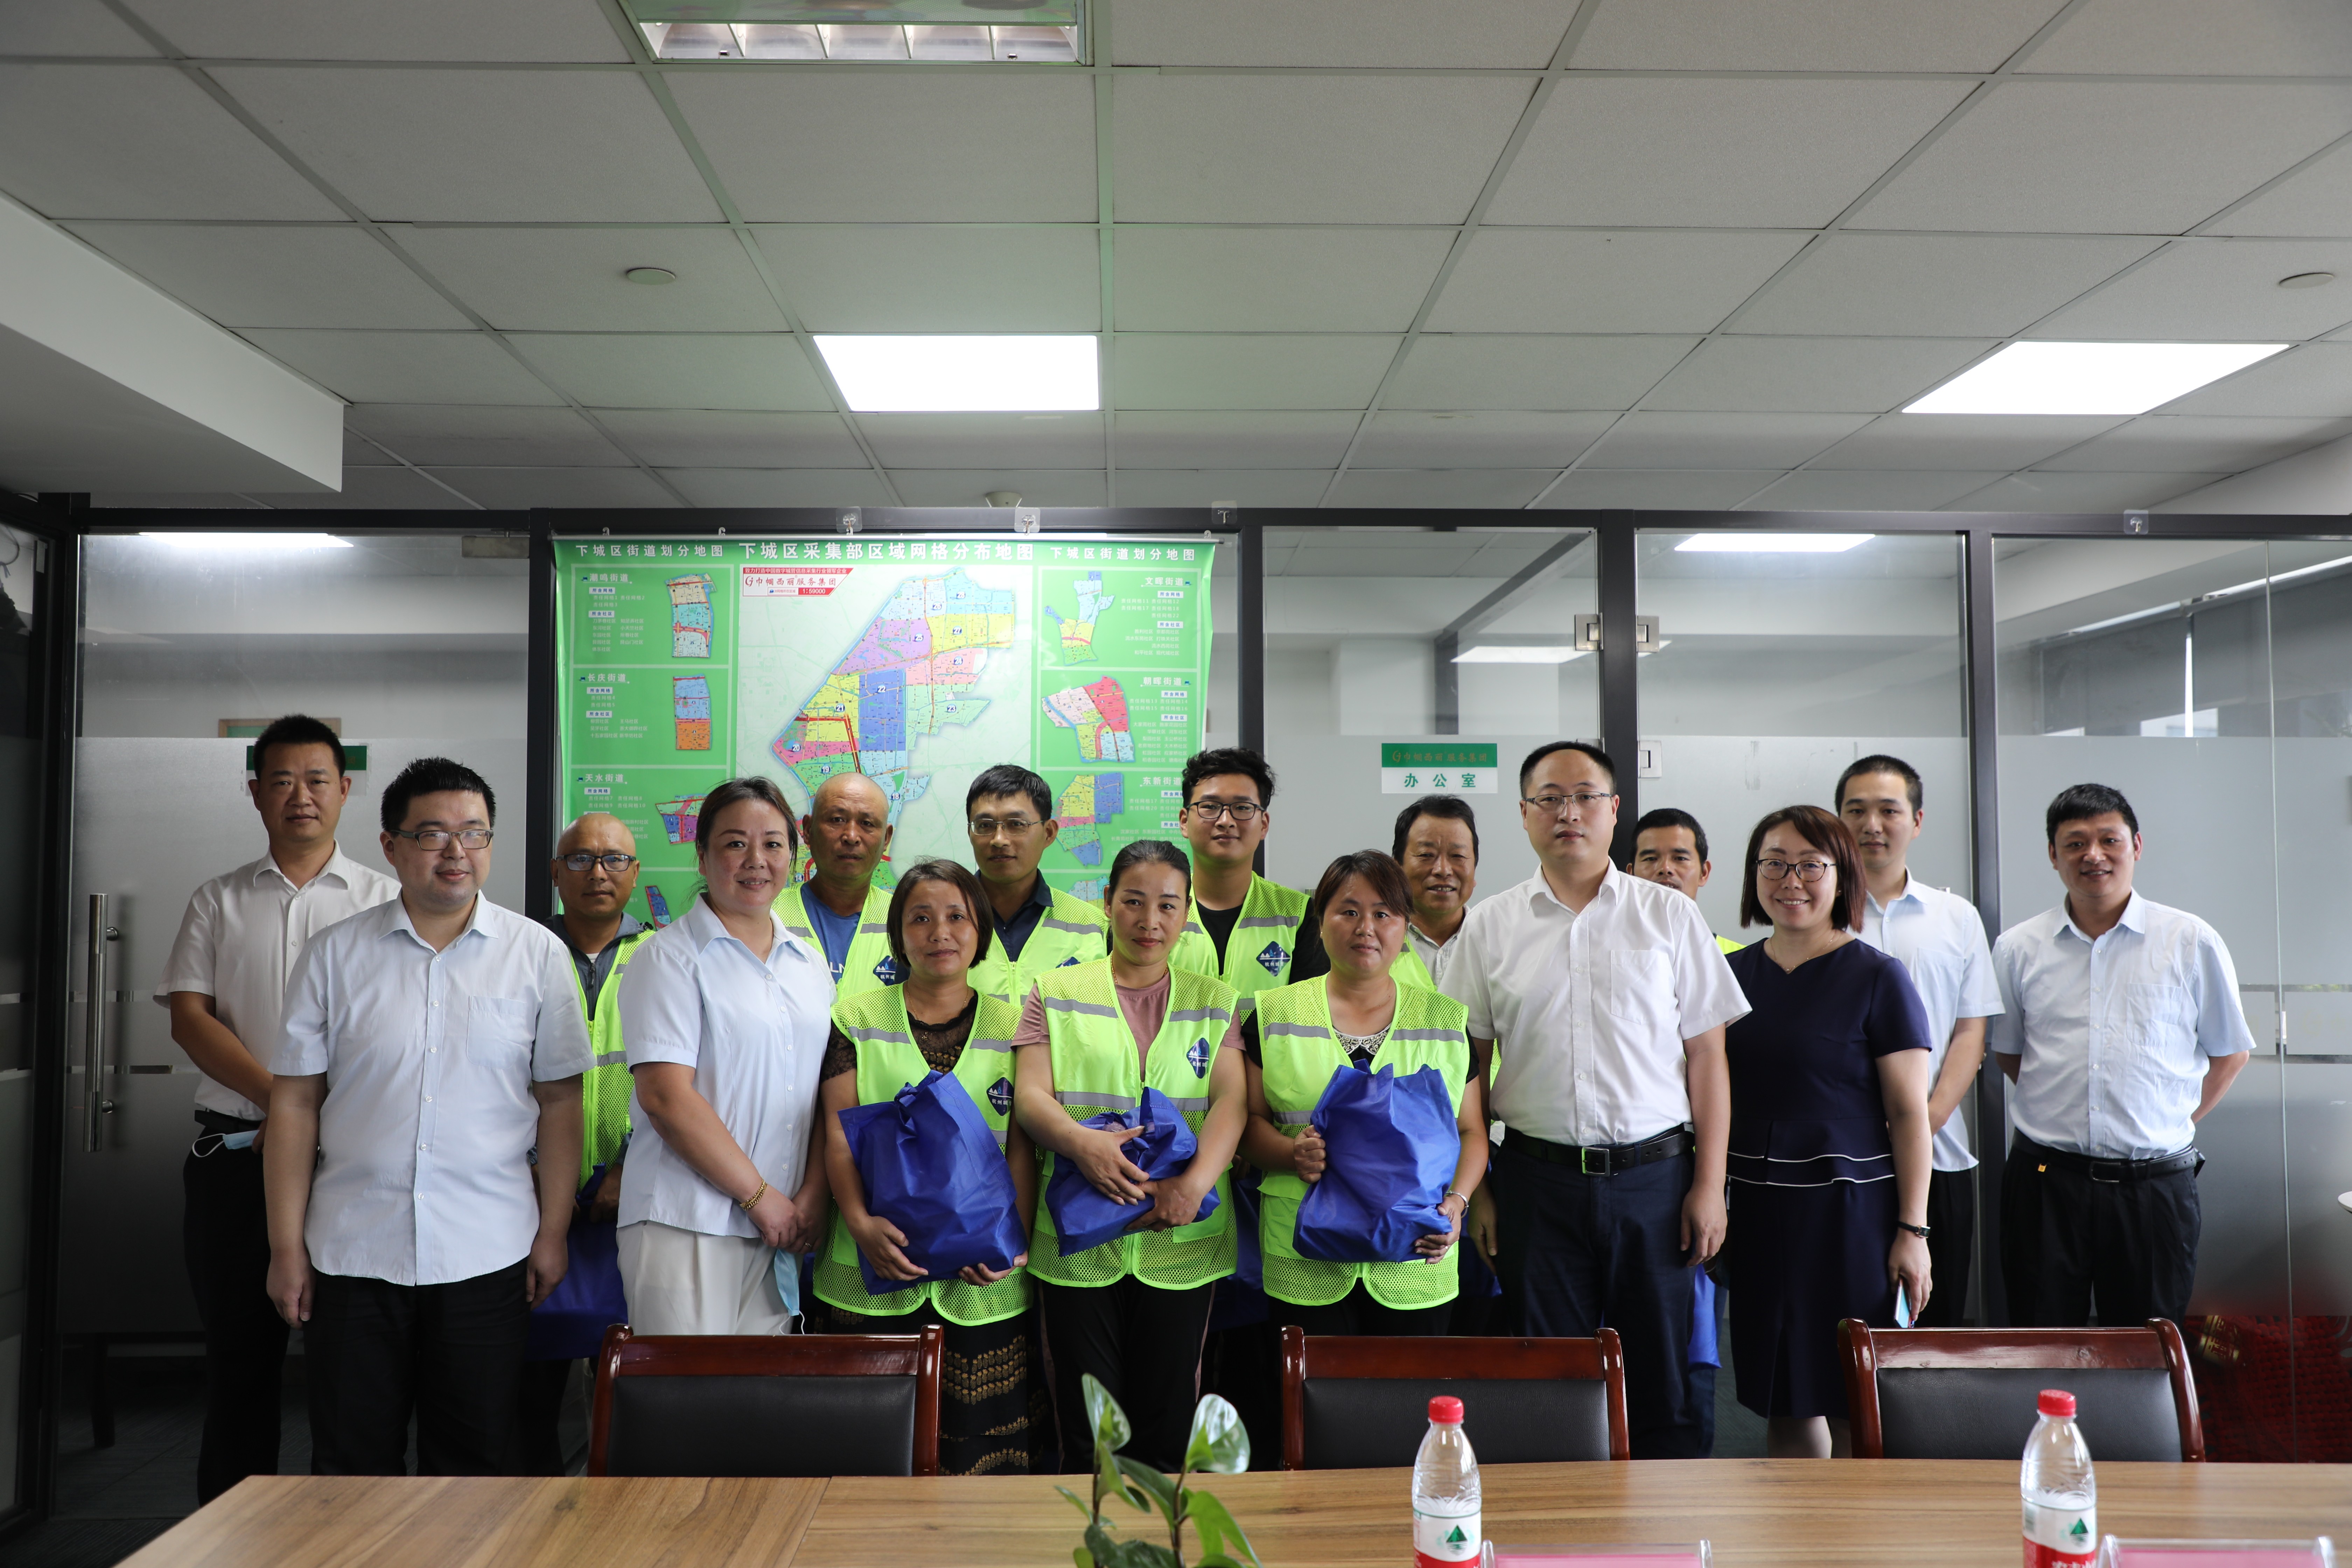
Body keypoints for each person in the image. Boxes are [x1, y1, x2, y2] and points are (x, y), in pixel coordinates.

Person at [265, 757, 588, 1477]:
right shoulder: (334, 955)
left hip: (488, 1250)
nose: (456, 851)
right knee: (351, 1465)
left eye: (475, 832)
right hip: (353, 1250)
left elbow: (561, 1102)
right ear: (391, 845)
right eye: (433, 833)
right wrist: (286, 1248)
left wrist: (553, 1232)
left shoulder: (536, 954)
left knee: (473, 1468)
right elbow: (294, 1103)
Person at [1443, 741, 1746, 1458]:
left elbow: (1709, 1057)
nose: (1568, 812)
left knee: (1663, 1379)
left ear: (1613, 811)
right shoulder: (1489, 925)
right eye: (1549, 798)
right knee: (1551, 1382)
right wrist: (1480, 1191)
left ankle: (1666, 1515)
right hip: (1535, 1183)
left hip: (1657, 1182)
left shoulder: (1669, 916)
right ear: (1525, 814)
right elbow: (1466, 1066)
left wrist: (1710, 1185)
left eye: (1585, 796)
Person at [156, 715, 398, 1502]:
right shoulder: (219, 900)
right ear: (256, 792)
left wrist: (305, 1124)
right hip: (235, 1158)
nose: (301, 796)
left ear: (346, 790)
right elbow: (190, 1017)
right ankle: (235, 1534)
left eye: (317, 779)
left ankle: (348, 1531)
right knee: (240, 1365)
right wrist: (280, 1104)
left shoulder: (386, 900)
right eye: (283, 780)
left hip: (352, 1163)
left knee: (354, 1369)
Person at [1013, 839, 1245, 1472]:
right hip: (1080, 1240)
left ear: (1187, 912)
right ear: (1107, 902)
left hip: (1182, 1241)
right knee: (1091, 1433)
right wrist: (1081, 1143)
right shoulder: (1056, 991)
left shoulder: (1216, 999)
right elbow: (1030, 1096)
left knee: (1167, 1427)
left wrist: (1193, 1187)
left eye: (1168, 906)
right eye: (1134, 902)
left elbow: (1231, 1103)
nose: (1150, 921)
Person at [1991, 784, 2253, 1331]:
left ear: (2136, 846)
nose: (2094, 855)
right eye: (2075, 843)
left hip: (2154, 1188)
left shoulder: (2189, 940)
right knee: (2041, 1340)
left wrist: (2167, 1121)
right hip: (2045, 1184)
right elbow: (2011, 1054)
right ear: (2053, 855)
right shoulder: (2018, 948)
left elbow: (2231, 1054)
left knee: (2145, 1349)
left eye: (2109, 840)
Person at [1722, 805, 1934, 1459]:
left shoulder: (1878, 976)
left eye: (1811, 866)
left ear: (1842, 877)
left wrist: (1914, 1231)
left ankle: (1860, 1523)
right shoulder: (1730, 975)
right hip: (1756, 1213)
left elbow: (1910, 1114)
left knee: (1852, 1397)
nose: (1792, 881)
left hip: (1851, 1216)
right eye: (1774, 864)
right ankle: (1798, 1522)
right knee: (1784, 1394)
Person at [816, 858, 1040, 1474]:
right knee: (866, 1457)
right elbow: (836, 1136)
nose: (940, 933)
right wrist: (859, 1223)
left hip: (985, 1282)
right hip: (868, 1274)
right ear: (898, 934)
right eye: (920, 919)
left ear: (980, 929)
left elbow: (1022, 1147)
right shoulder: (855, 1020)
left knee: (980, 1460)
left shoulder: (1018, 1026)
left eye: (956, 917)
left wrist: (1011, 1243)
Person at [619, 777, 833, 1334]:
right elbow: (666, 1099)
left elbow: (821, 1092)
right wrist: (759, 1197)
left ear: (794, 856)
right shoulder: (668, 960)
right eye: (735, 844)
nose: (756, 860)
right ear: (703, 856)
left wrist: (812, 1195)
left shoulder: (809, 966)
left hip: (781, 1228)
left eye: (773, 844)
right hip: (686, 1224)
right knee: (686, 1388)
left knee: (759, 1388)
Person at [1241, 850, 1485, 1335]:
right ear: (1320, 922)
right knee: (1309, 1385)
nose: (1366, 928)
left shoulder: (1445, 1020)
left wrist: (1458, 1204)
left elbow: (1472, 1130)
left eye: (1383, 914)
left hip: (1416, 1257)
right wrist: (1291, 1154)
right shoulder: (1273, 1015)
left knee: (1411, 1386)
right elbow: (1247, 1124)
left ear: (1405, 925)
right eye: (1349, 911)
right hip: (1304, 1258)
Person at [1835, 755, 2002, 1328]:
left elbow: (1971, 1031)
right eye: (1856, 811)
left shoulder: (1956, 917)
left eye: (1889, 810)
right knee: (1846, 1332)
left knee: (1933, 1329)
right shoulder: (1815, 916)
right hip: (1843, 1161)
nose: (1872, 825)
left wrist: (1922, 1124)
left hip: (1940, 1155)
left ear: (1917, 820)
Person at [516, 812, 649, 1474]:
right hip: (526, 1197)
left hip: (633, 1198)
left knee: (627, 1389)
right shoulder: (517, 954)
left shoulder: (664, 958)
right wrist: (537, 1171)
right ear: (555, 871)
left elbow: (685, 1081)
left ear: (636, 873)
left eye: (615, 859)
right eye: (581, 858)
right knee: (525, 1390)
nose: (599, 873)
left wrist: (632, 1165)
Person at [1169, 747, 1325, 1012]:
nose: (1225, 821)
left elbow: (1307, 1017)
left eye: (1242, 808)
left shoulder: (1300, 916)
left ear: (1264, 824)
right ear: (1185, 822)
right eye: (1210, 807)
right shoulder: (1156, 911)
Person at [962, 762, 1108, 1000]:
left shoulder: (1093, 927)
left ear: (1048, 833)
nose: (999, 840)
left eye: (1016, 825)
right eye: (985, 826)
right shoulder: (942, 924)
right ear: (970, 833)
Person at [776, 771, 899, 995]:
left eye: (867, 823)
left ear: (886, 839)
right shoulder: (769, 917)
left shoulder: (904, 921)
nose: (851, 836)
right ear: (808, 830)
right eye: (837, 820)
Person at [1391, 796, 1479, 990]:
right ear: (1397, 867)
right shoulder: (1373, 940)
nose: (1443, 870)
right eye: (1426, 855)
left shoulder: (1497, 940)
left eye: (1458, 856)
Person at [1629, 807, 1743, 954]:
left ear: (1704, 873)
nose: (1665, 868)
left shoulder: (1741, 959)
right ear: (1631, 875)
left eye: (1680, 858)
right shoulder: (1606, 953)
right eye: (1651, 859)